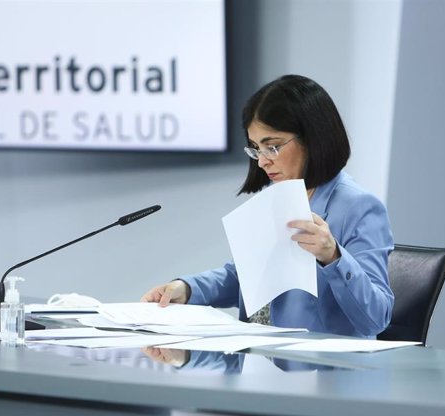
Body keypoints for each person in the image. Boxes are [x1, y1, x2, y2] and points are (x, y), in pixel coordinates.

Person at [142, 74, 394, 338]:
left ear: (313, 138)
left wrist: (334, 257)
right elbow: (247, 277)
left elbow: (376, 319)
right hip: (256, 361)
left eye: (272, 147)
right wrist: (186, 288)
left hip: (321, 371)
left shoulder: (359, 207)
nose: (262, 162)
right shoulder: (278, 196)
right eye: (255, 148)